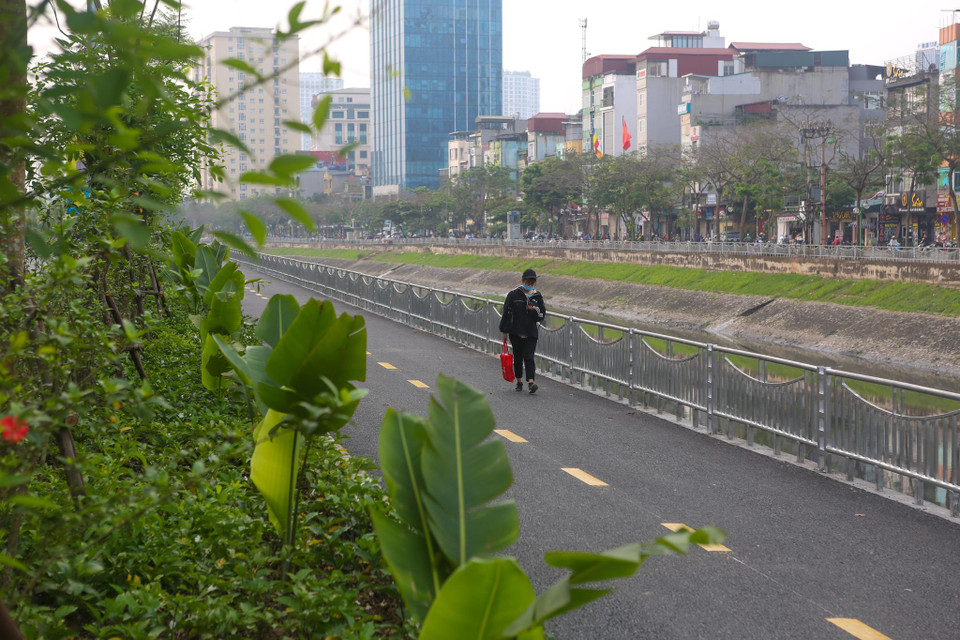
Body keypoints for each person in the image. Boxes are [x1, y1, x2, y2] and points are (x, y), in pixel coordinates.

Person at [499, 268, 546, 394]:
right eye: (527, 281)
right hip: (515, 331)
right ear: (522, 280)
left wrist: (534, 309)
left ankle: (531, 382)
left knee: (529, 356)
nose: (529, 284)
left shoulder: (537, 296)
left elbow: (541, 315)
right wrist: (504, 331)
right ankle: (519, 381)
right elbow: (507, 313)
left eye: (532, 282)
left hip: (531, 332)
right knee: (518, 357)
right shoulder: (514, 294)